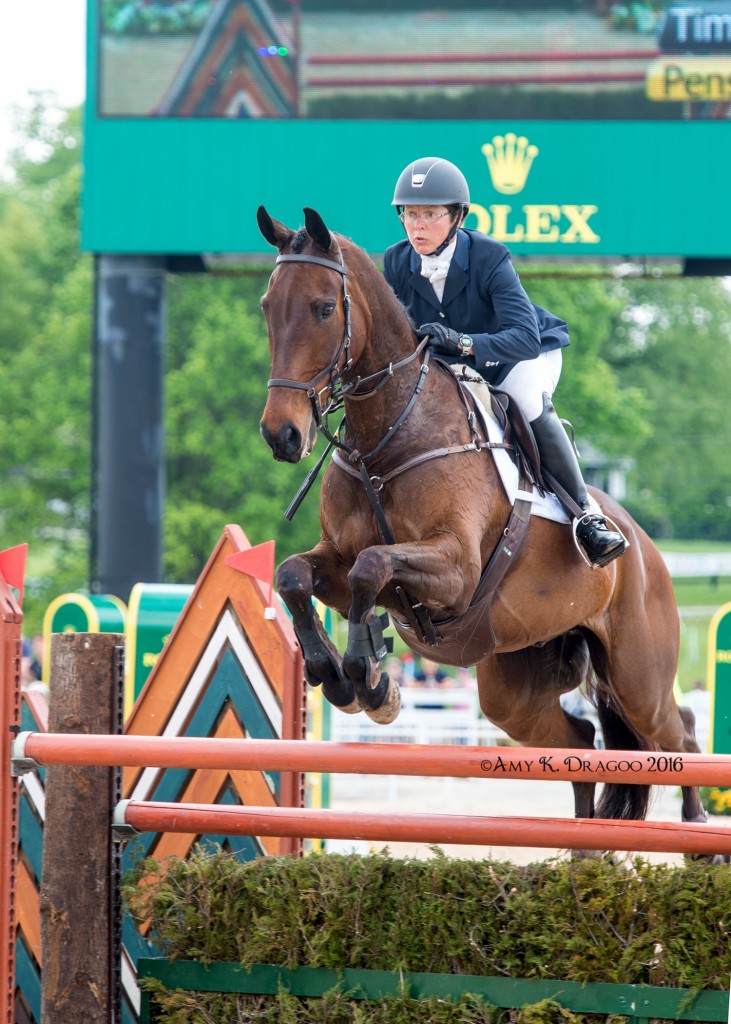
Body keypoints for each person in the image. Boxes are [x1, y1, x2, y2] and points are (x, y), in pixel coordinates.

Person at [383, 156, 625, 569]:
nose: (416, 226)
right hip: (460, 368)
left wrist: (461, 342)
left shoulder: (489, 258)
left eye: (429, 215)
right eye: (409, 214)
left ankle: (586, 515)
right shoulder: (396, 262)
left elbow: (525, 338)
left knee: (524, 398)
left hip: (522, 355)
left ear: (457, 216)